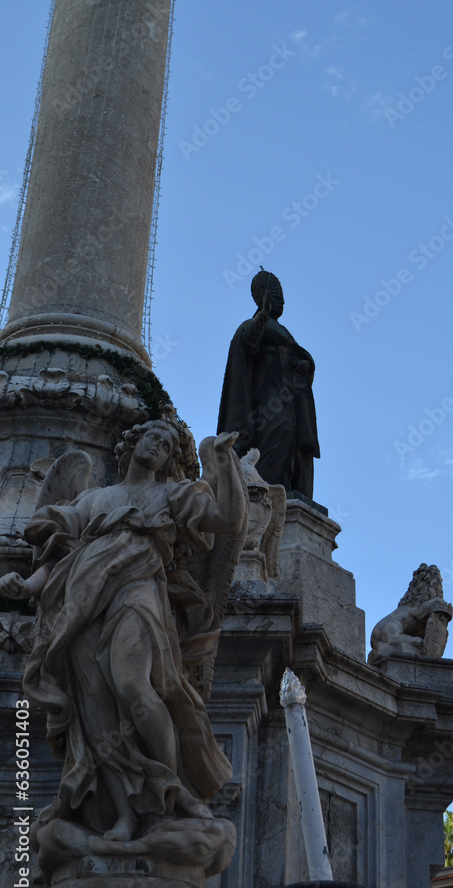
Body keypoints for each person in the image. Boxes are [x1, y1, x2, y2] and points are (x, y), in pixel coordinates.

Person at [0, 420, 246, 842]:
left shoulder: (170, 495)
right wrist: (25, 587)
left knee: (134, 685)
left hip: (137, 590)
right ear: (132, 444)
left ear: (170, 460)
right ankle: (124, 815)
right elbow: (57, 558)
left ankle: (169, 794)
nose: (157, 445)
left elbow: (227, 520)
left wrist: (222, 462)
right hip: (80, 602)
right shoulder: (93, 498)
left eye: (167, 444)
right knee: (94, 712)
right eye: (151, 436)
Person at [217, 269, 319, 498]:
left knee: (292, 440)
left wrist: (304, 364)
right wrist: (262, 315)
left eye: (281, 299)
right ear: (262, 299)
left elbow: (297, 355)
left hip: (290, 395)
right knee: (280, 431)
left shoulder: (283, 330)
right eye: (274, 298)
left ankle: (284, 488)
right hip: (266, 393)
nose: (279, 303)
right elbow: (249, 343)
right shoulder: (252, 325)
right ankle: (265, 489)